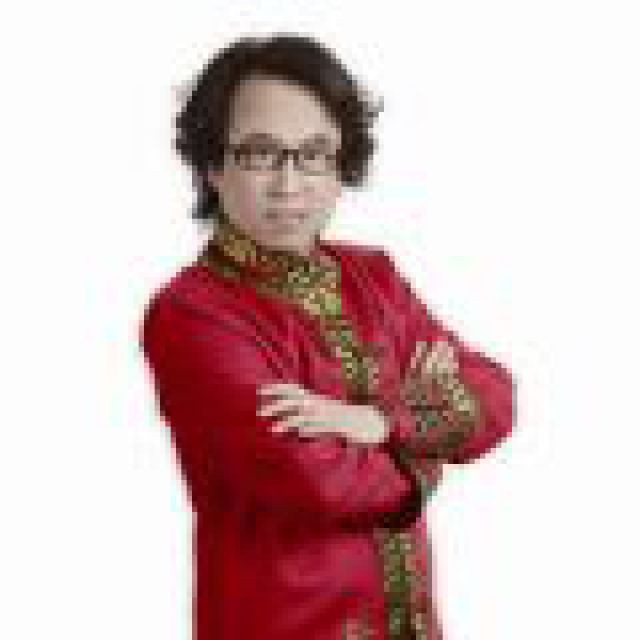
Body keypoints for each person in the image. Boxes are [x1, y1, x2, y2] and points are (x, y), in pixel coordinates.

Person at [139, 33, 515, 640]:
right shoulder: (192, 313)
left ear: (342, 167)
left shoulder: (375, 277)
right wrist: (427, 448)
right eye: (261, 154)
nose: (289, 184)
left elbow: (497, 393)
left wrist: (378, 422)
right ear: (213, 165)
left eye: (314, 154)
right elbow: (317, 481)